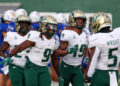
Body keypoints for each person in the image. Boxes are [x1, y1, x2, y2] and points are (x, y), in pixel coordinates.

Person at [8, 15, 60, 86]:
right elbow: (21, 47)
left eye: (54, 27)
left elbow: (54, 59)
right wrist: (10, 55)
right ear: (43, 26)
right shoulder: (35, 36)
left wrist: (58, 72)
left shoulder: (55, 40)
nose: (52, 29)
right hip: (32, 66)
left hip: (44, 67)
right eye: (49, 26)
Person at [86, 12, 120, 86]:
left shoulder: (97, 38)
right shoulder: (117, 34)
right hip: (114, 74)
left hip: (101, 74)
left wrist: (88, 76)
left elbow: (93, 59)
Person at [56, 10, 88, 86]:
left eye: (82, 20)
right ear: (72, 20)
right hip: (66, 67)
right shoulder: (67, 33)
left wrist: (86, 57)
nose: (81, 21)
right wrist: (69, 51)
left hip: (78, 68)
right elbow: (59, 52)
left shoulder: (85, 34)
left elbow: (85, 49)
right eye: (78, 19)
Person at [0, 15, 31, 86]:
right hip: (15, 65)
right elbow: (2, 50)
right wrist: (5, 58)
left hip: (29, 67)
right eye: (23, 24)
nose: (25, 26)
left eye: (27, 24)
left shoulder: (32, 35)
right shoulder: (11, 35)